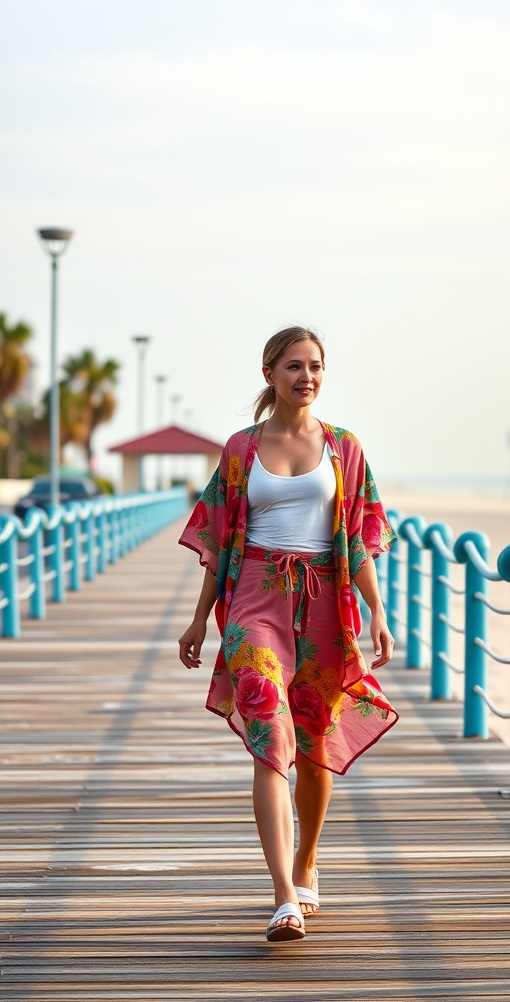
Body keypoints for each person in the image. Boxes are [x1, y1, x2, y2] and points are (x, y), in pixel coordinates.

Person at [178, 326, 398, 942]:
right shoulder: (241, 448)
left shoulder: (344, 447)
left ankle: (306, 862)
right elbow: (220, 540)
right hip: (256, 598)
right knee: (268, 729)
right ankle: (283, 899)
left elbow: (356, 538)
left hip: (327, 603)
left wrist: (375, 611)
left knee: (314, 740)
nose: (308, 377)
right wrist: (200, 619)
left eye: (317, 366)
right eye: (295, 366)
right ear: (270, 373)